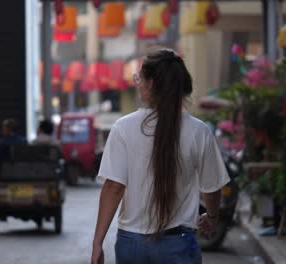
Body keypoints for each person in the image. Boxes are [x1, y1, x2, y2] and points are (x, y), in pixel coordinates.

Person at [91, 48, 230, 264]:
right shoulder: (199, 131)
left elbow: (114, 188)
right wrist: (211, 217)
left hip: (132, 245)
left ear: (151, 85)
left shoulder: (123, 128)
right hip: (179, 244)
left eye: (139, 78)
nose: (137, 83)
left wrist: (98, 243)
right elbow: (211, 189)